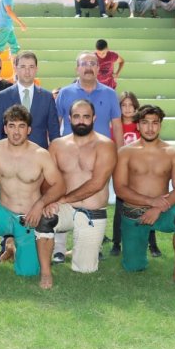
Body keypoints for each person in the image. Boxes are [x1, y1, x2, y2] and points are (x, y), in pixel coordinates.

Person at [0, 104, 65, 288]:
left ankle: (13, 246)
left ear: (29, 129)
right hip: (3, 211)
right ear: (5, 128)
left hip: (28, 217)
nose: (16, 132)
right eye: (11, 126)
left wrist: (39, 205)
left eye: (21, 126)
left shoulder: (40, 154)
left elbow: (60, 185)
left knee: (27, 272)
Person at [114, 104, 175, 287]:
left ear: (160, 125)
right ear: (138, 126)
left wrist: (157, 208)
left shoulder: (174, 153)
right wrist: (151, 202)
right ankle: (137, 253)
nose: (150, 128)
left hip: (163, 211)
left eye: (155, 123)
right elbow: (120, 189)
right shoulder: (125, 152)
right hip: (134, 212)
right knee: (133, 267)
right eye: (145, 123)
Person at [43, 99, 116, 273]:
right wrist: (49, 201)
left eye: (86, 116)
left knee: (85, 270)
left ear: (94, 118)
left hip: (91, 212)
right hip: (65, 209)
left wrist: (64, 198)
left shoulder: (106, 145)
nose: (81, 121)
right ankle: (43, 265)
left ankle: (81, 248)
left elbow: (97, 183)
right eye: (76, 116)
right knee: (43, 218)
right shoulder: (57, 145)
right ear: (69, 118)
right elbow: (47, 180)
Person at [110, 91, 161, 259]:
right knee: (120, 208)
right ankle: (117, 243)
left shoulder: (142, 125)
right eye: (123, 105)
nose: (127, 108)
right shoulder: (114, 126)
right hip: (122, 172)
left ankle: (152, 244)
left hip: (142, 173)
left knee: (148, 206)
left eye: (131, 105)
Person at [0, 51, 59, 150]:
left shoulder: (47, 97)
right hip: (10, 158)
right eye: (23, 67)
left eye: (31, 67)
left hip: (38, 157)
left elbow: (54, 133)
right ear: (15, 68)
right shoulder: (2, 97)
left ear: (36, 69)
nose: (27, 71)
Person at [55, 52, 123, 147]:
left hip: (102, 152)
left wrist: (120, 152)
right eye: (84, 64)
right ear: (77, 69)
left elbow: (117, 127)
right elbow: (55, 124)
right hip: (69, 152)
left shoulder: (110, 94)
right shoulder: (64, 93)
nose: (88, 68)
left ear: (98, 68)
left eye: (92, 64)